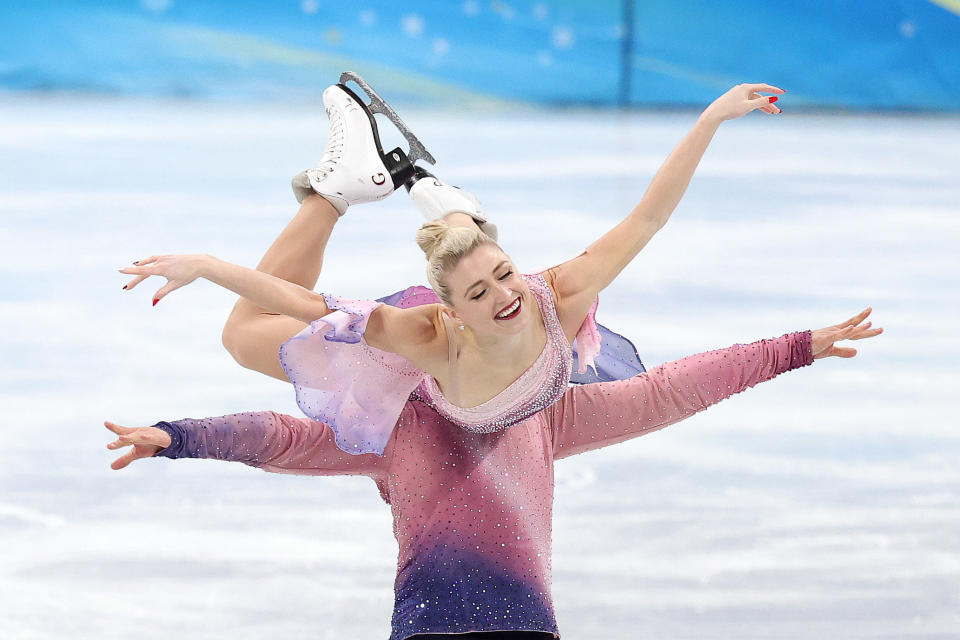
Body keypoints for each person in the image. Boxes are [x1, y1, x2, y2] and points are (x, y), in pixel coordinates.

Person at [109, 76, 883, 639]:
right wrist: (181, 411)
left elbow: (653, 245)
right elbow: (291, 412)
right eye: (483, 292)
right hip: (426, 361)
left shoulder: (550, 309)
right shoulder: (413, 388)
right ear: (452, 313)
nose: (505, 295)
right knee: (248, 335)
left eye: (504, 276)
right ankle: (380, 195)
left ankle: (418, 206)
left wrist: (715, 116)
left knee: (248, 335)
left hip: (517, 382)